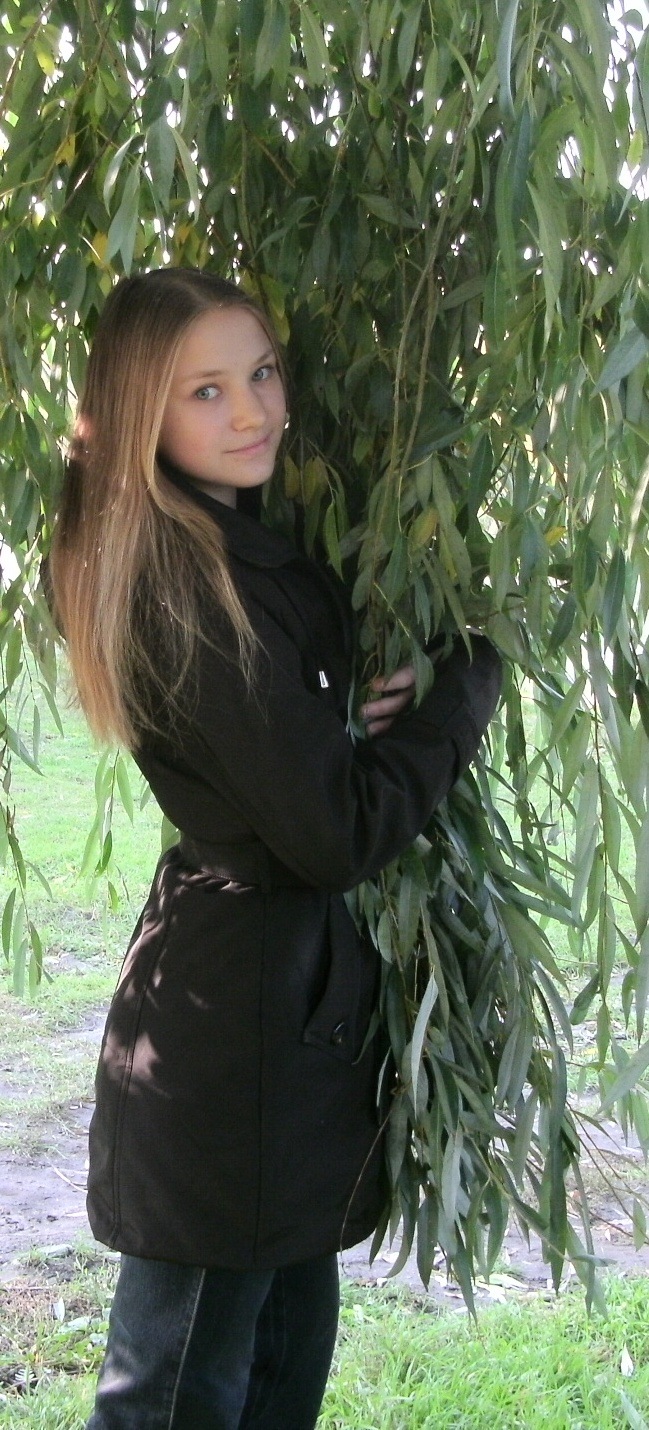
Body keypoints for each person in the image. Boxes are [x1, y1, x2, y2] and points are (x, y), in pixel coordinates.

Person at [49, 267, 502, 1430]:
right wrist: (461, 694)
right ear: (141, 410)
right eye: (204, 389)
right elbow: (336, 829)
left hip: (277, 1017)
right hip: (229, 1038)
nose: (252, 410)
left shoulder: (230, 545)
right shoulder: (187, 589)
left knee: (275, 1370)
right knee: (178, 1392)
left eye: (260, 373)